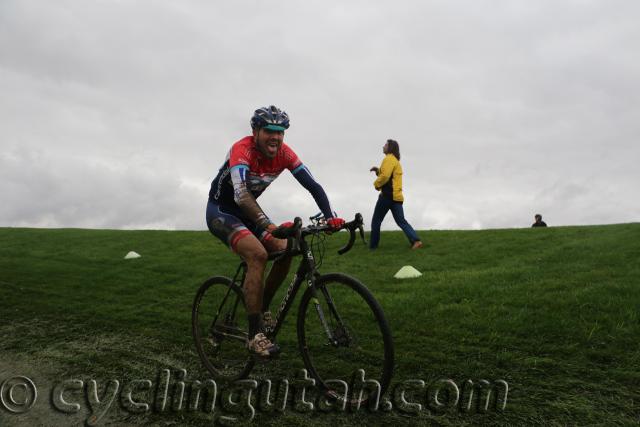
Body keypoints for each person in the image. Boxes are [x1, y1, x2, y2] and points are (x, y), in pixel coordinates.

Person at [206, 105, 344, 358]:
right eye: (269, 130)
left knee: (286, 250)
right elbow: (241, 195)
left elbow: (313, 185)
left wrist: (330, 216)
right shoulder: (242, 150)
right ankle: (254, 335)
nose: (276, 137)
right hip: (222, 211)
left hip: (248, 215)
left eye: (281, 132)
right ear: (255, 131)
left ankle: (262, 307)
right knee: (257, 255)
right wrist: (269, 225)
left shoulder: (285, 153)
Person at [369, 139, 422, 250]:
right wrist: (378, 171)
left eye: (385, 145)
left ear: (390, 148)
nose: (383, 146)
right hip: (397, 197)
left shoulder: (388, 159)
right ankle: (416, 241)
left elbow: (385, 177)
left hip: (387, 196)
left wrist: (376, 184)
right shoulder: (395, 161)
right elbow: (388, 175)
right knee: (401, 221)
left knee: (376, 221)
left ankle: (373, 247)